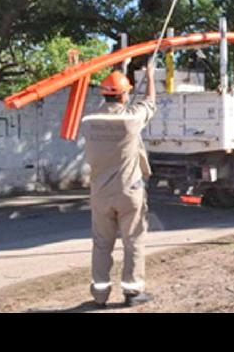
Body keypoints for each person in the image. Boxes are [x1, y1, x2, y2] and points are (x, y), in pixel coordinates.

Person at [81, 61, 156, 307]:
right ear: (125, 94)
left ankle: (100, 295)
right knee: (132, 240)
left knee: (102, 244)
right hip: (128, 192)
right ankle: (132, 293)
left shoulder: (89, 121)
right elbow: (150, 102)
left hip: (100, 194)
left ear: (103, 93)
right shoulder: (132, 120)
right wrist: (150, 76)